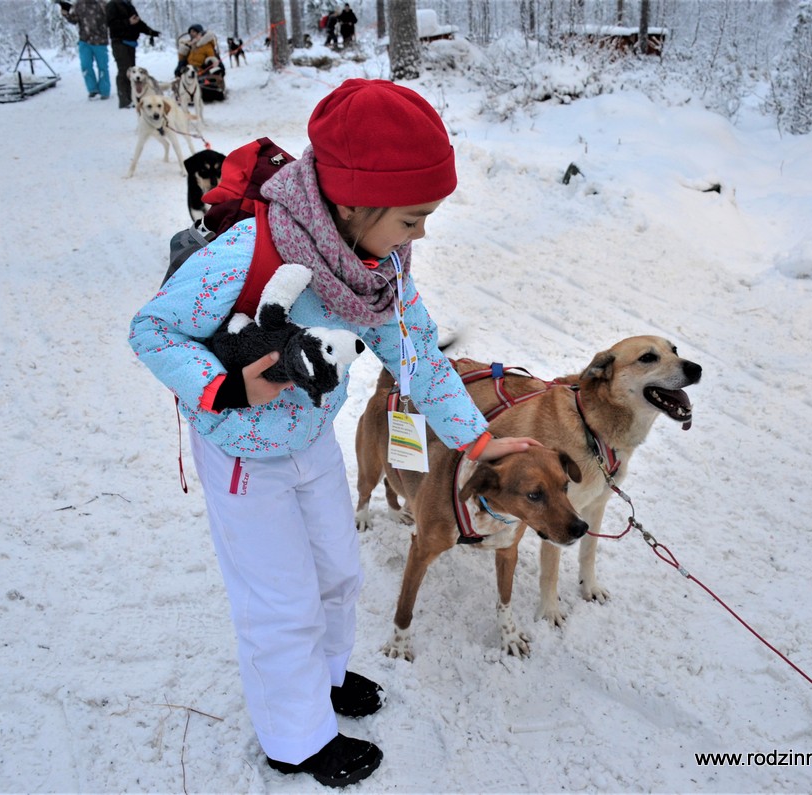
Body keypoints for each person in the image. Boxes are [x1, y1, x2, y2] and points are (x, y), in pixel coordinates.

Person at [129, 79, 538, 788]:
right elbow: (153, 329)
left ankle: (320, 676)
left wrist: (476, 440)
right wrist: (229, 388)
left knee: (339, 574)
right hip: (241, 456)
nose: (422, 234)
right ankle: (296, 737)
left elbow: (420, 357)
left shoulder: (378, 270)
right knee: (279, 599)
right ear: (353, 202)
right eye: (413, 218)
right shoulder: (251, 252)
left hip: (310, 439)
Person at [105, 0, 159, 109]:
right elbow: (111, 24)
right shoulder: (112, 5)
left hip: (131, 43)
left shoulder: (129, 5)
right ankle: (124, 101)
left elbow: (138, 23)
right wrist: (128, 22)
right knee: (124, 71)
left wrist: (150, 31)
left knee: (132, 73)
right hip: (119, 42)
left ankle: (133, 97)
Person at [60, 0, 111, 101]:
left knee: (103, 67)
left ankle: (105, 91)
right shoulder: (79, 4)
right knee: (85, 66)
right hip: (84, 41)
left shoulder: (102, 4)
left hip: (100, 41)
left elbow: (111, 20)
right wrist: (66, 15)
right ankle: (92, 90)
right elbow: (74, 20)